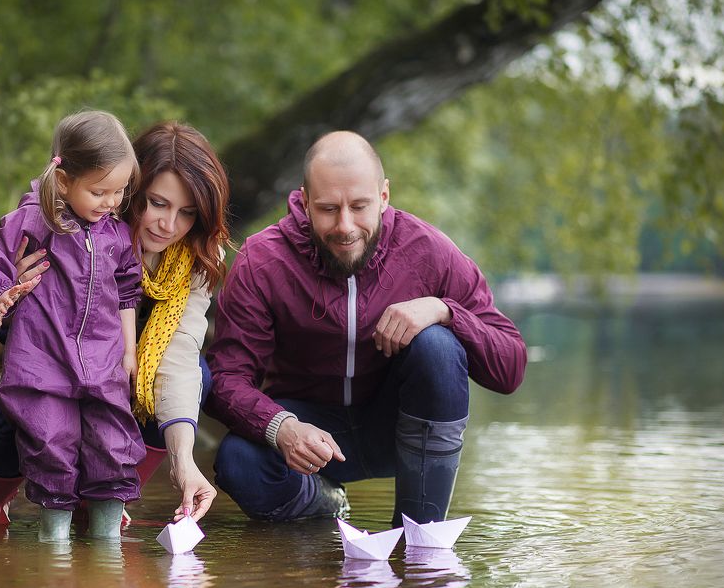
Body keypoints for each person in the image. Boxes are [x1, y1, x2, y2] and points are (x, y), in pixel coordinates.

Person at [0, 120, 229, 538]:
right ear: (132, 191)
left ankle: (99, 499)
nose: (168, 225)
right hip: (19, 373)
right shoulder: (55, 225)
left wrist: (184, 460)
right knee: (34, 414)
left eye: (187, 212)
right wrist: (12, 295)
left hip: (104, 383)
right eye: (158, 203)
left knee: (192, 377)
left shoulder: (188, 264)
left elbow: (178, 360)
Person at [205, 131, 527, 526]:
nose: (345, 226)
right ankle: (322, 506)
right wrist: (282, 427)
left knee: (438, 345)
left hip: (399, 431)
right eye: (327, 209)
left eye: (360, 207)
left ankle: (419, 539)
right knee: (237, 460)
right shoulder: (262, 260)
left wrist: (443, 309)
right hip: (310, 433)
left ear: (384, 196)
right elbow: (226, 378)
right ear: (304, 201)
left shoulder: (429, 251)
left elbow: (510, 368)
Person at [0, 109, 143, 542]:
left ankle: (107, 543)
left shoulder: (115, 234)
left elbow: (126, 291)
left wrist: (129, 351)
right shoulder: (32, 222)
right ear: (64, 181)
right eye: (99, 192)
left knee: (113, 444)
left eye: (119, 192)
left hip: (101, 363)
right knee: (51, 445)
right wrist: (1, 292)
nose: (112, 203)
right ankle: (55, 540)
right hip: (41, 362)